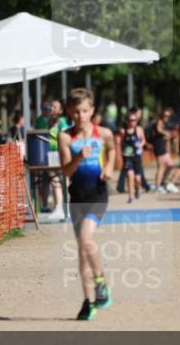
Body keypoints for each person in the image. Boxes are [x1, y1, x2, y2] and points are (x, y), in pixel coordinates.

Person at [59, 88, 116, 321]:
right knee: (82, 252)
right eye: (75, 112)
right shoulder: (65, 137)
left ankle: (101, 282)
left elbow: (112, 150)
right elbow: (66, 170)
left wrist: (110, 167)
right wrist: (79, 157)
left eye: (84, 111)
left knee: (85, 239)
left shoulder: (103, 133)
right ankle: (89, 300)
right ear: (70, 113)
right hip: (77, 197)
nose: (80, 116)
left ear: (92, 110)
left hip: (97, 194)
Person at [119, 111, 146, 203]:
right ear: (127, 121)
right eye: (130, 120)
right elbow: (121, 142)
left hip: (137, 156)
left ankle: (137, 189)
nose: (132, 122)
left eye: (134, 120)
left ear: (136, 121)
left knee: (137, 179)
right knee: (130, 175)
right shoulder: (123, 131)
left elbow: (143, 140)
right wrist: (122, 151)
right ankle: (130, 196)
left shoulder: (139, 130)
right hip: (128, 156)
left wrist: (140, 145)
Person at [152, 108, 176, 193]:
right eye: (165, 115)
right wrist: (165, 133)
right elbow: (158, 130)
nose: (167, 117)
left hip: (163, 147)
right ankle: (157, 186)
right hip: (159, 147)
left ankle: (162, 182)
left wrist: (168, 136)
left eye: (168, 116)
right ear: (162, 115)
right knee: (161, 167)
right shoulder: (160, 121)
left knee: (171, 165)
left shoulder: (165, 123)